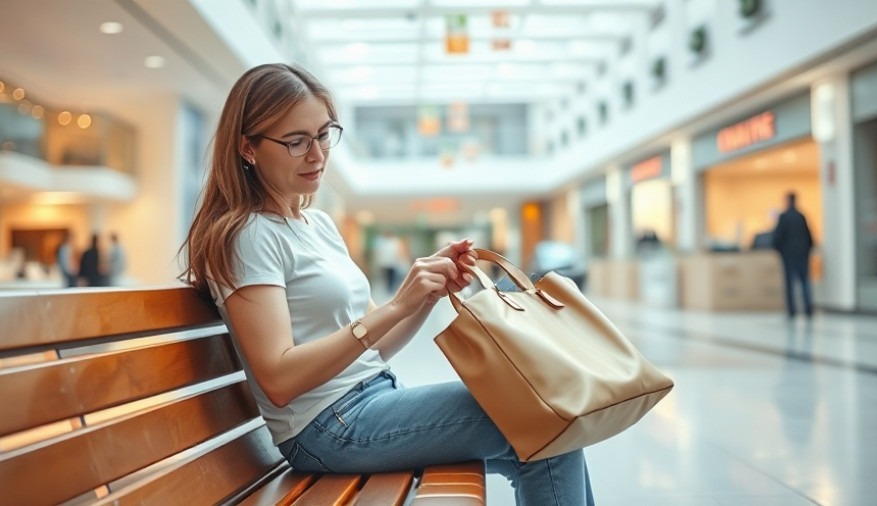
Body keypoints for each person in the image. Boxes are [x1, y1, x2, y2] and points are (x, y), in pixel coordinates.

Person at [179, 63, 595, 505]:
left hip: (370, 400)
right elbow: (279, 379)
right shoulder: (248, 235)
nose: (317, 155)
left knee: (547, 431)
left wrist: (425, 296)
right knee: (545, 418)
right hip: (326, 428)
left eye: (323, 135)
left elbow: (373, 348)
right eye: (296, 142)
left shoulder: (316, 224)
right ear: (248, 148)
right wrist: (397, 305)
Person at [772, 192, 814, 318]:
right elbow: (809, 236)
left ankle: (791, 310)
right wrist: (808, 249)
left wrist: (778, 249)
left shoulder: (784, 217)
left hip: (789, 254)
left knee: (789, 282)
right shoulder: (801, 216)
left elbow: (778, 236)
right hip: (802, 253)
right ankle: (808, 308)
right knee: (804, 281)